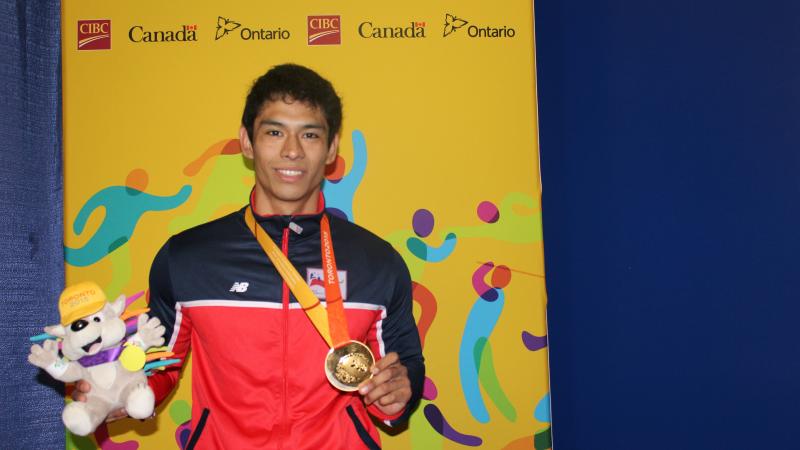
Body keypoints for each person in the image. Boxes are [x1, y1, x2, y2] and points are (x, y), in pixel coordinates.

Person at [75, 63, 425, 449]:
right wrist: (123, 390)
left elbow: (402, 369)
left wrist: (397, 395)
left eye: (310, 134)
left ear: (332, 148)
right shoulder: (188, 256)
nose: (291, 151)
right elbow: (160, 363)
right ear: (246, 141)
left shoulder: (377, 262)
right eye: (274, 132)